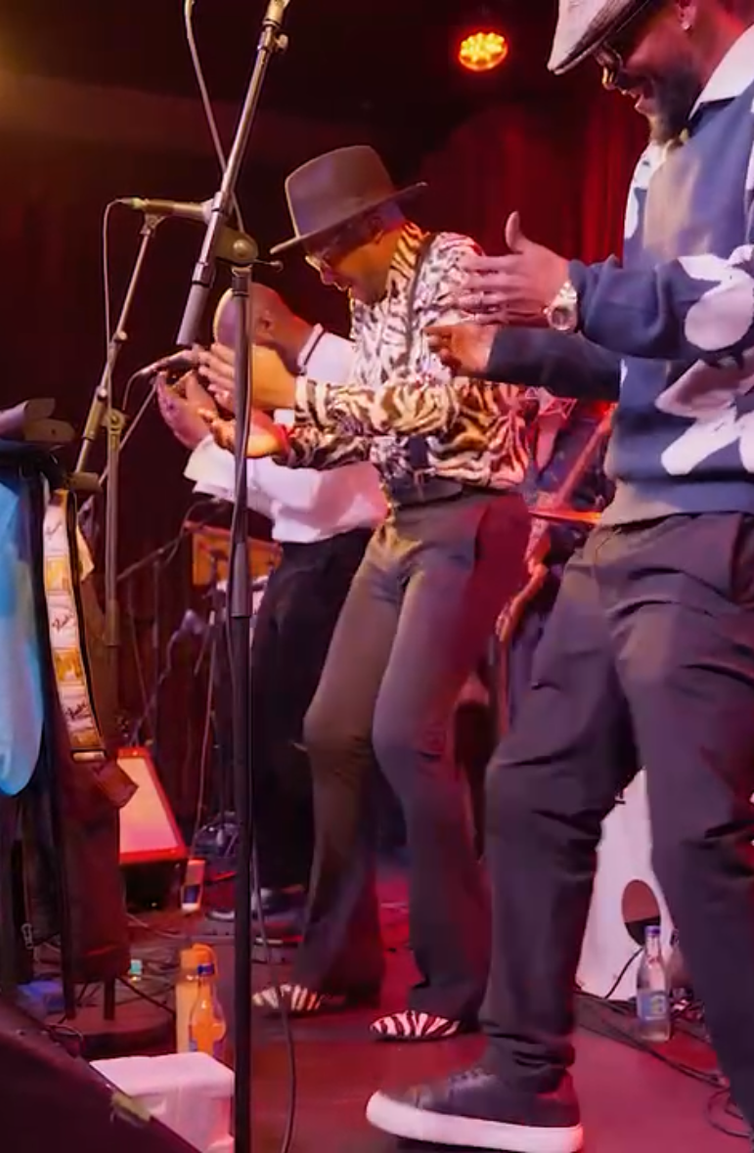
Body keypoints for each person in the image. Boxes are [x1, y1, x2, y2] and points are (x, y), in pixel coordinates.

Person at [364, 2, 754, 1150]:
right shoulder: (660, 154)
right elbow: (641, 346)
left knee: (693, 830)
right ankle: (523, 1074)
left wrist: (571, 288)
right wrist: (505, 342)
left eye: (619, 46)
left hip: (742, 508)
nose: (611, 75)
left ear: (690, 9)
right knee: (531, 784)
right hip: (642, 510)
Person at [184, 144, 539, 1043]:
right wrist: (265, 437)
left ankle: (461, 980)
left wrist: (297, 389)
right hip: (406, 522)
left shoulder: (453, 267)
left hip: (473, 515)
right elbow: (363, 432)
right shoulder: (368, 299)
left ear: (372, 228)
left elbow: (437, 405)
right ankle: (336, 965)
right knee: (333, 729)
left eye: (324, 251)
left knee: (404, 737)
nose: (316, 270)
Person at [154, 284, 383, 942]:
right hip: (305, 558)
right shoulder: (294, 380)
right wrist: (215, 440)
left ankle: (312, 898)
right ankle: (283, 886)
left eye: (232, 351)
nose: (228, 369)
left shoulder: (339, 370)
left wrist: (210, 442)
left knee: (301, 737)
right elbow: (284, 499)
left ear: (262, 324)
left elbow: (313, 494)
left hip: (343, 561)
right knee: (255, 723)